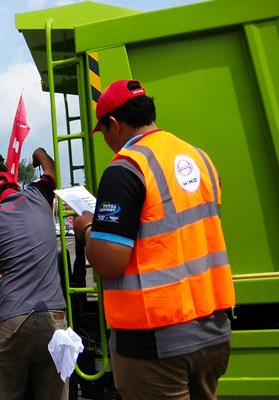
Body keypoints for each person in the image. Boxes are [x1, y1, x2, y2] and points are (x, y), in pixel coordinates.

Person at [74, 79, 235, 400]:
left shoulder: (125, 168)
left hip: (157, 343)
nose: (107, 141)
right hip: (213, 332)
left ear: (114, 124)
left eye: (104, 132)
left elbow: (108, 261)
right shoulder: (199, 158)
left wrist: (87, 228)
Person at [0, 147, 68, 400]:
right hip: (55, 318)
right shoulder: (39, 194)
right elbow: (50, 168)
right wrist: (38, 152)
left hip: (13, 321)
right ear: (16, 187)